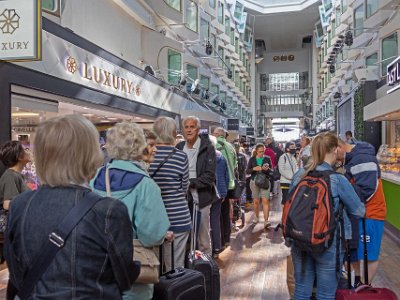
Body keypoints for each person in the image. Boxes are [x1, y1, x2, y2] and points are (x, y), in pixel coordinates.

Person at [5, 115, 139, 299]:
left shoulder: (20, 205)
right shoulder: (109, 210)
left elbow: (17, 275)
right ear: (90, 154)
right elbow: (125, 278)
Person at [91, 122, 171, 300]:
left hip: (96, 273)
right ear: (139, 147)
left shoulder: (95, 177)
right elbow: (152, 235)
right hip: (133, 278)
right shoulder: (145, 185)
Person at [290, 132, 366, 300]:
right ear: (333, 149)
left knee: (301, 290)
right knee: (326, 294)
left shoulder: (299, 176)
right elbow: (359, 211)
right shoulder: (338, 179)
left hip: (299, 239)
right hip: (328, 242)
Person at [337, 139, 387, 286]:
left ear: (339, 147)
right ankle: (359, 284)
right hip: (361, 214)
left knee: (369, 254)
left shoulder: (362, 158)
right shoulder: (354, 159)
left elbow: (367, 190)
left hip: (370, 214)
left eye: (334, 152)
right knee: (357, 252)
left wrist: (346, 198)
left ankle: (364, 288)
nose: (335, 157)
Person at [149, 117, 191, 271]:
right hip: (178, 217)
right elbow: (184, 187)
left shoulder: (147, 156)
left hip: (152, 219)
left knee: (152, 268)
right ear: (174, 133)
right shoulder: (181, 156)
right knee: (175, 268)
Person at [176, 116, 217, 256]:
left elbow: (209, 176)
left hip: (203, 196)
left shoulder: (208, 148)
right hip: (182, 199)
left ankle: (206, 266)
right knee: (184, 233)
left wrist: (190, 183)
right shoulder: (179, 147)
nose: (189, 130)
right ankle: (188, 269)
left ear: (198, 129)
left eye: (192, 127)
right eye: (186, 127)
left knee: (203, 234)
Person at [0, 140, 31, 299]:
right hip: (12, 227)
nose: (28, 151)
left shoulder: (15, 175)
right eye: (25, 150)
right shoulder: (11, 176)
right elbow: (7, 204)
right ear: (19, 156)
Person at [212, 127, 237, 248]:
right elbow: (235, 164)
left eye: (214, 133)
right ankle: (227, 238)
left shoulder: (215, 145)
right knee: (226, 211)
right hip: (230, 182)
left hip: (220, 183)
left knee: (218, 214)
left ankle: (220, 241)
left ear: (217, 134)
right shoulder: (231, 146)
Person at [246, 143, 273, 229]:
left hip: (265, 181)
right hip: (254, 181)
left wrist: (267, 169)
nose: (262, 153)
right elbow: (247, 171)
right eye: (260, 152)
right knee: (256, 201)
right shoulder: (252, 159)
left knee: (265, 200)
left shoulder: (267, 159)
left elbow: (272, 171)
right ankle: (256, 217)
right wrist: (254, 169)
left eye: (263, 151)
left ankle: (266, 221)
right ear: (256, 151)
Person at [210, 135, 229, 258]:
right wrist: (224, 192)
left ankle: (207, 248)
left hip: (207, 191)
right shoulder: (221, 157)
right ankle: (217, 246)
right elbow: (226, 176)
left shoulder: (204, 157)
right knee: (215, 220)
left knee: (204, 222)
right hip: (219, 192)